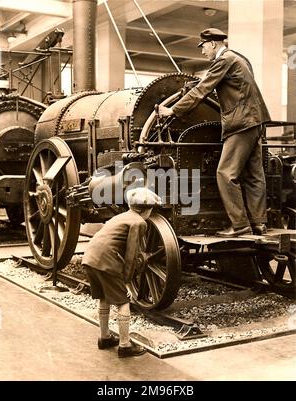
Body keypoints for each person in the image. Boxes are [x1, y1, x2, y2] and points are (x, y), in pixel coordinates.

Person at [158, 28, 271, 237]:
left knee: (225, 173)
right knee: (254, 174)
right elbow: (212, 83)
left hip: (241, 123)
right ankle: (258, 223)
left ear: (212, 44)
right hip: (255, 122)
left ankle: (240, 226)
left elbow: (203, 90)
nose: (202, 52)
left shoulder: (224, 60)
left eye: (203, 47)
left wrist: (172, 110)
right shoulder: (239, 59)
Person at [82, 187, 161, 358]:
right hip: (105, 262)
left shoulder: (120, 217)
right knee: (123, 302)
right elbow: (132, 255)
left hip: (89, 258)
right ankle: (125, 346)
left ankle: (104, 337)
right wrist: (127, 280)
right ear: (146, 210)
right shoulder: (139, 222)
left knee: (104, 297)